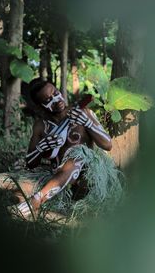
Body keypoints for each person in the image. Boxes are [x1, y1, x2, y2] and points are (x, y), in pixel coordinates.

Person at [16, 79, 121, 218]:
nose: (57, 100)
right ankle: (42, 198)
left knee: (76, 158)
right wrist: (41, 148)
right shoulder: (41, 125)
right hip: (55, 179)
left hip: (86, 177)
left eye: (56, 93)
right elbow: (30, 163)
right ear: (41, 106)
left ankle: (36, 201)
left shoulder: (83, 113)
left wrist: (88, 123)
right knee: (17, 188)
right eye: (48, 100)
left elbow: (107, 145)